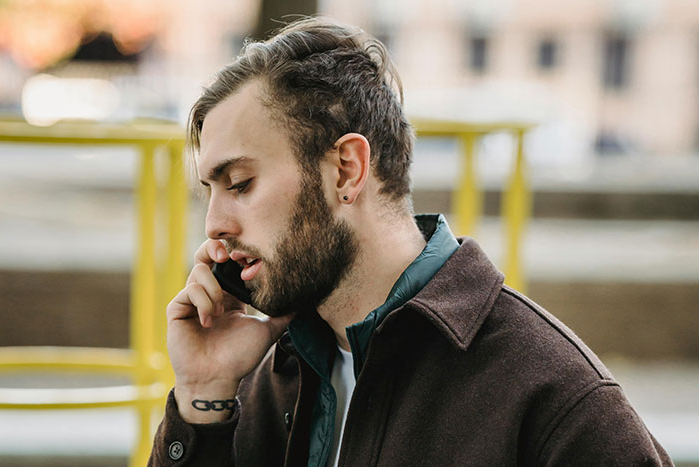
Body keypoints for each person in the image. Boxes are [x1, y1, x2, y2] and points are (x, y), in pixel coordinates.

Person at [149, 17, 672, 467]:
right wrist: (203, 396)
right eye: (209, 192)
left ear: (347, 171)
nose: (214, 224)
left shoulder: (551, 396)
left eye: (240, 184)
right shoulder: (270, 377)